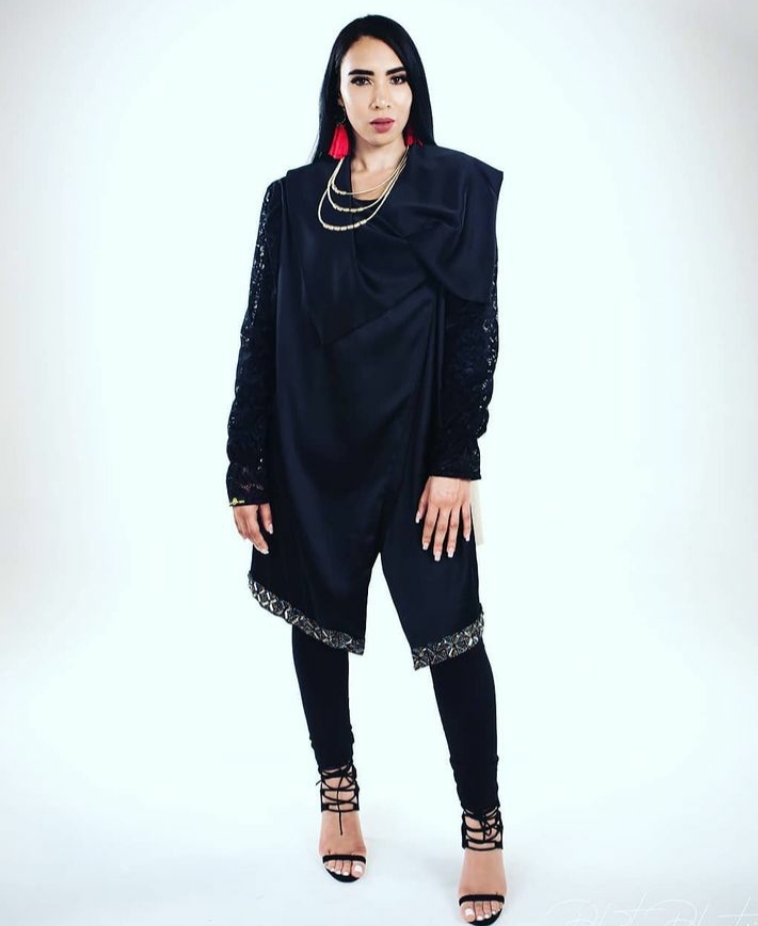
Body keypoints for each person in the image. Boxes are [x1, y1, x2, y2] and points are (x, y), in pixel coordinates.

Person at [225, 14, 506, 923]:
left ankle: (483, 828)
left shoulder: (455, 189)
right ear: (336, 93)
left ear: (414, 87)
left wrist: (456, 460)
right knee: (319, 623)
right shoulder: (292, 199)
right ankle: (338, 795)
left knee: (453, 639)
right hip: (312, 453)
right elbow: (261, 331)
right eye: (360, 79)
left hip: (420, 459)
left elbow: (475, 331)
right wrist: (247, 465)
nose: (380, 97)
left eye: (396, 77)